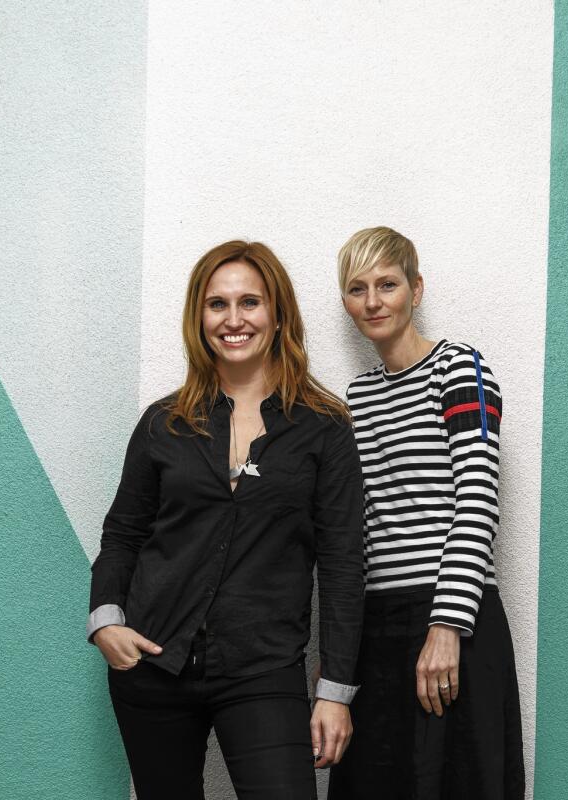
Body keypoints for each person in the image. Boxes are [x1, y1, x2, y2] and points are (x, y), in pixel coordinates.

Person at [86, 240, 364, 799]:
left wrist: (335, 692)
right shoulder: (164, 423)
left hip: (262, 667)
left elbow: (341, 563)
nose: (234, 319)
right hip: (153, 663)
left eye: (250, 302)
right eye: (217, 304)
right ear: (199, 316)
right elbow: (123, 533)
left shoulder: (324, 426)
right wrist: (106, 620)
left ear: (277, 312)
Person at [327, 227, 524, 799]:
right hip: (378, 624)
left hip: (454, 617)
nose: (373, 302)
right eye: (357, 289)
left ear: (416, 289)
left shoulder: (458, 368)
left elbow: (478, 496)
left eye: (386, 284)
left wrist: (446, 627)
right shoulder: (354, 398)